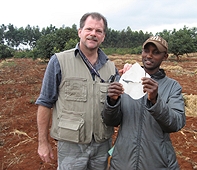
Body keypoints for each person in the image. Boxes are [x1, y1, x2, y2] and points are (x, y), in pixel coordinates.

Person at [36, 12, 119, 170]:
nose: (93, 34)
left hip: (102, 145)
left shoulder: (111, 68)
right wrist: (43, 143)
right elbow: (45, 103)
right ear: (80, 32)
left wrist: (129, 74)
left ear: (103, 36)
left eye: (98, 31)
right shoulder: (59, 61)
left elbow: (119, 102)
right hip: (71, 146)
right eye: (89, 29)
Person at [102, 36, 186, 170]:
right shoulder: (125, 81)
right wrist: (112, 101)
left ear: (165, 56)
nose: (149, 56)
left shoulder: (172, 87)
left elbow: (176, 123)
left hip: (158, 163)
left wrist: (155, 100)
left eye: (156, 52)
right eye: (146, 51)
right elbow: (111, 121)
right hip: (123, 162)